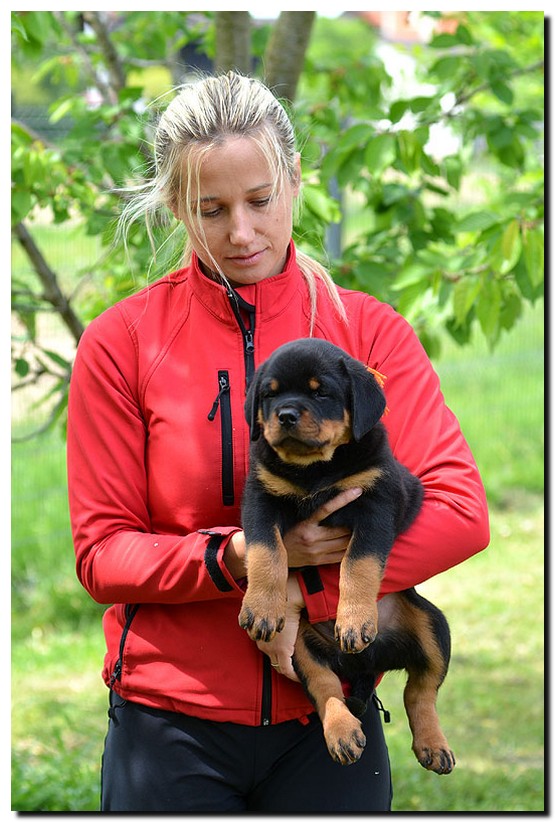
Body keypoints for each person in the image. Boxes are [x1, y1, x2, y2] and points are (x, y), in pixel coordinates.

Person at [67, 70, 489, 813]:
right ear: (175, 205)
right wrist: (238, 558)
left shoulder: (369, 332)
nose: (241, 232)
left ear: (295, 179)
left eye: (260, 200)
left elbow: (460, 513)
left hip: (332, 710)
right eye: (211, 209)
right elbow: (102, 553)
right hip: (168, 720)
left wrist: (308, 586)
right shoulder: (121, 343)